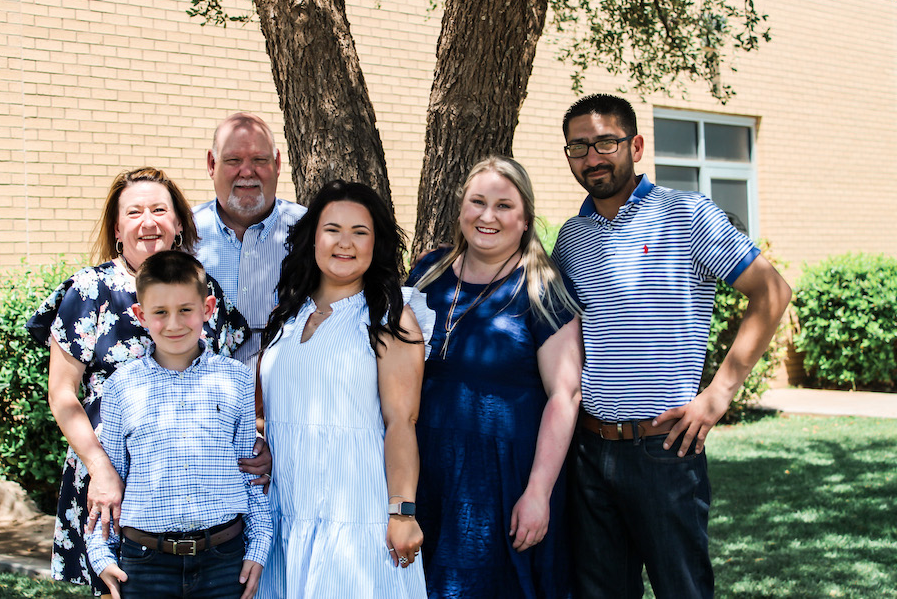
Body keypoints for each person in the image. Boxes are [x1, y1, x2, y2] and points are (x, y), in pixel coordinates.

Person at [552, 94, 792, 598]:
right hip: (589, 451)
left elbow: (772, 294)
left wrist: (720, 393)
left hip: (665, 449)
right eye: (579, 147)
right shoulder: (571, 239)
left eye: (606, 142)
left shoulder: (687, 215)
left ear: (635, 145)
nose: (592, 157)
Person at [27, 167, 249, 594]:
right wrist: (101, 469)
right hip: (108, 478)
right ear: (117, 228)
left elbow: (229, 384)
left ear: (179, 223)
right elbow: (62, 394)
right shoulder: (89, 290)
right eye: (134, 212)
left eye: (159, 210)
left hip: (196, 494)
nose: (148, 222)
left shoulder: (207, 293)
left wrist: (252, 443)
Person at [406, 156, 584, 599]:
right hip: (427, 472)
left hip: (506, 479)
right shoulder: (427, 274)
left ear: (525, 219)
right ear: (461, 207)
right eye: (478, 202)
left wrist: (538, 492)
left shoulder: (542, 285)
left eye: (504, 206)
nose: (488, 216)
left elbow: (566, 393)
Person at [255, 180, 434, 598]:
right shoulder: (287, 314)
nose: (345, 243)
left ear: (377, 244)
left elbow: (402, 422)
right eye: (333, 229)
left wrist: (402, 512)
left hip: (356, 516)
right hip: (286, 514)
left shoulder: (391, 319)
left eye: (360, 232)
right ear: (313, 236)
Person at [85, 251, 272, 599]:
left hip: (223, 561)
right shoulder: (121, 387)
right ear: (141, 315)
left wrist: (258, 546)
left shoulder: (237, 380)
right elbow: (110, 482)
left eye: (186, 310)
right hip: (144, 565)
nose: (174, 324)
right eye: (160, 312)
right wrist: (99, 553)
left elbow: (250, 475)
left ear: (208, 309)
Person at [194, 113, 305, 370]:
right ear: (212, 164)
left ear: (277, 163)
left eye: (259, 160)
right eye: (233, 160)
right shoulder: (183, 235)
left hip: (290, 395)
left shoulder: (312, 232)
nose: (247, 171)